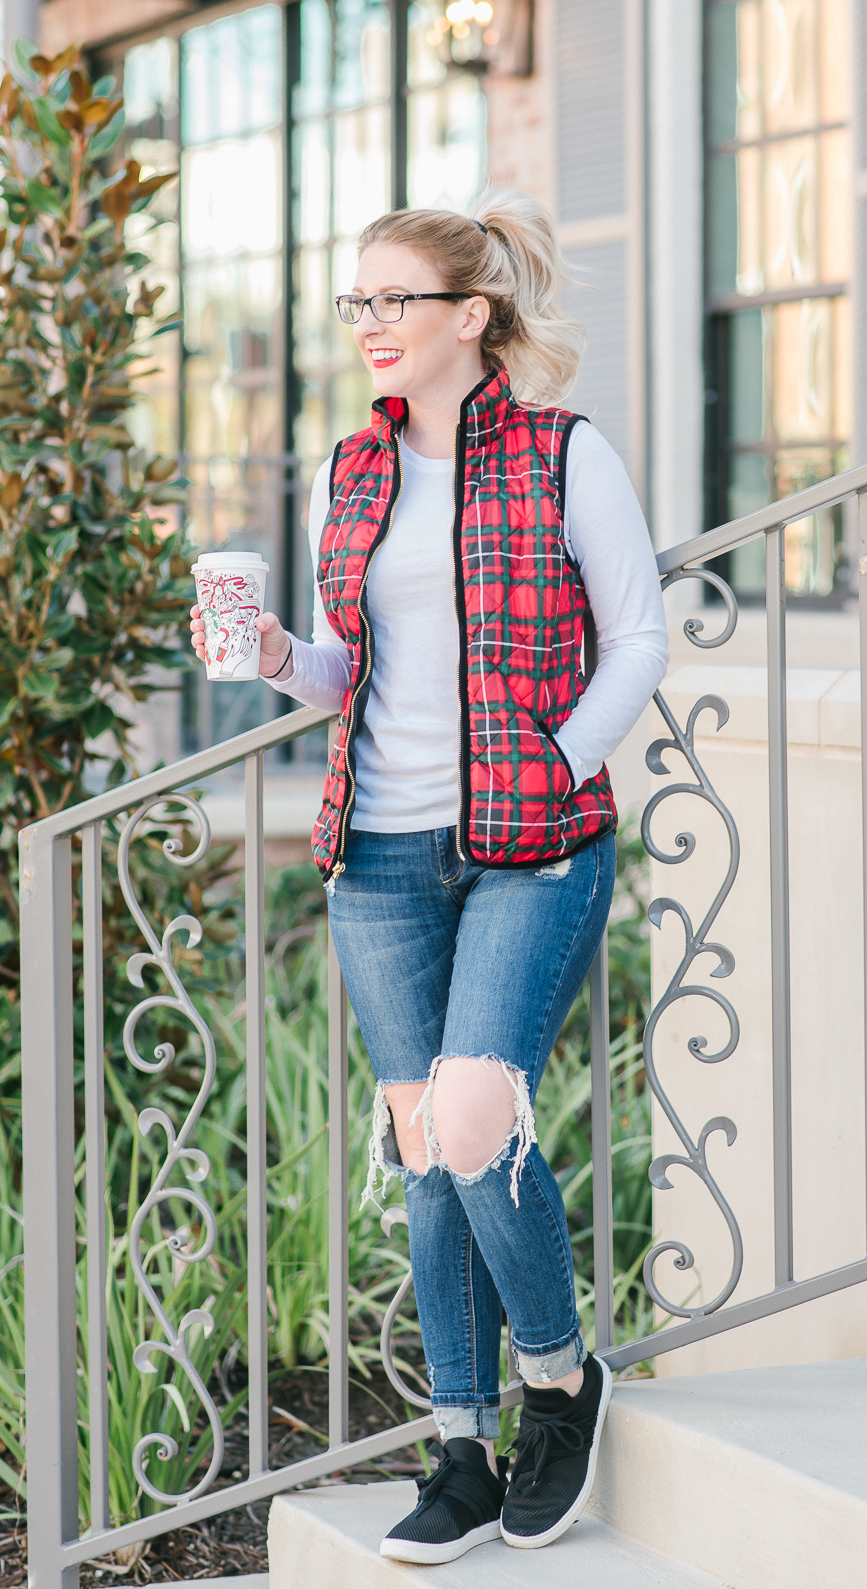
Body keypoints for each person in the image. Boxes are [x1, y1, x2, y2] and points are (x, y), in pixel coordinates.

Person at [189, 187, 668, 1562]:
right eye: (356, 302)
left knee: (472, 1117)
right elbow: (360, 667)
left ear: (472, 316)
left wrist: (561, 760)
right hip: (380, 856)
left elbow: (635, 637)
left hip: (534, 843)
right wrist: (283, 656)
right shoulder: (354, 468)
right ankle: (458, 1449)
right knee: (421, 1150)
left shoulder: (567, 456)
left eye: (392, 300)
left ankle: (561, 1381)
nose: (367, 325)